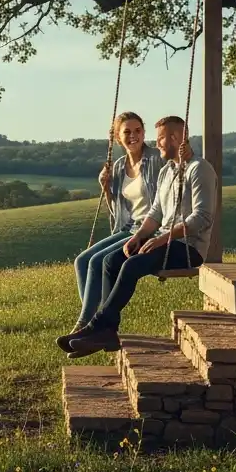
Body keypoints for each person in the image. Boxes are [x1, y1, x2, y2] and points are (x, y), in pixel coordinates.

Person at [60, 115, 218, 358]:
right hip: (165, 242)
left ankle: (96, 327)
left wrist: (161, 239)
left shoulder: (199, 169)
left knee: (133, 264)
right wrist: (140, 236)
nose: (158, 145)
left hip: (188, 248)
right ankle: (106, 332)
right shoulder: (167, 171)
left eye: (162, 139)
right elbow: (154, 214)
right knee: (112, 261)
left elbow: (202, 218)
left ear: (177, 138)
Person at [68, 111, 163, 336]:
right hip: (127, 228)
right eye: (127, 132)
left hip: (149, 229)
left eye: (138, 130)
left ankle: (85, 325)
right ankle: (97, 323)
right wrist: (106, 188)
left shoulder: (156, 159)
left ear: (144, 132)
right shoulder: (119, 166)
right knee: (82, 261)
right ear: (118, 138)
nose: (134, 136)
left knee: (97, 262)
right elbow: (118, 211)